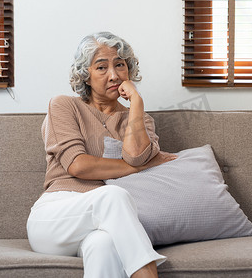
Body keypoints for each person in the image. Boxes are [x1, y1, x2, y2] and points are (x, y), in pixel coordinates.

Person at [27, 32, 177, 278]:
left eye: (120, 65)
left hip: (101, 225)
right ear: (86, 74)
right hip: (55, 217)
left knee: (105, 245)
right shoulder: (63, 105)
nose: (114, 75)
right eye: (101, 67)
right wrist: (139, 168)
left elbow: (137, 156)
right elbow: (78, 166)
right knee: (113, 195)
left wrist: (136, 104)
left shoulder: (141, 119)